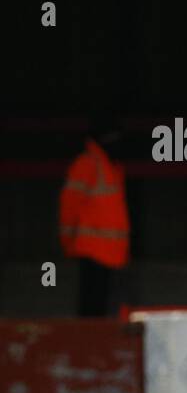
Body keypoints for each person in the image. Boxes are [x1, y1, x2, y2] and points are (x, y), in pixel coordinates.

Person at [60, 120, 130, 317]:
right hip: (93, 252)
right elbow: (70, 206)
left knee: (102, 311)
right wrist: (68, 242)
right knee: (92, 310)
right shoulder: (88, 165)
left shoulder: (111, 167)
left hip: (112, 254)